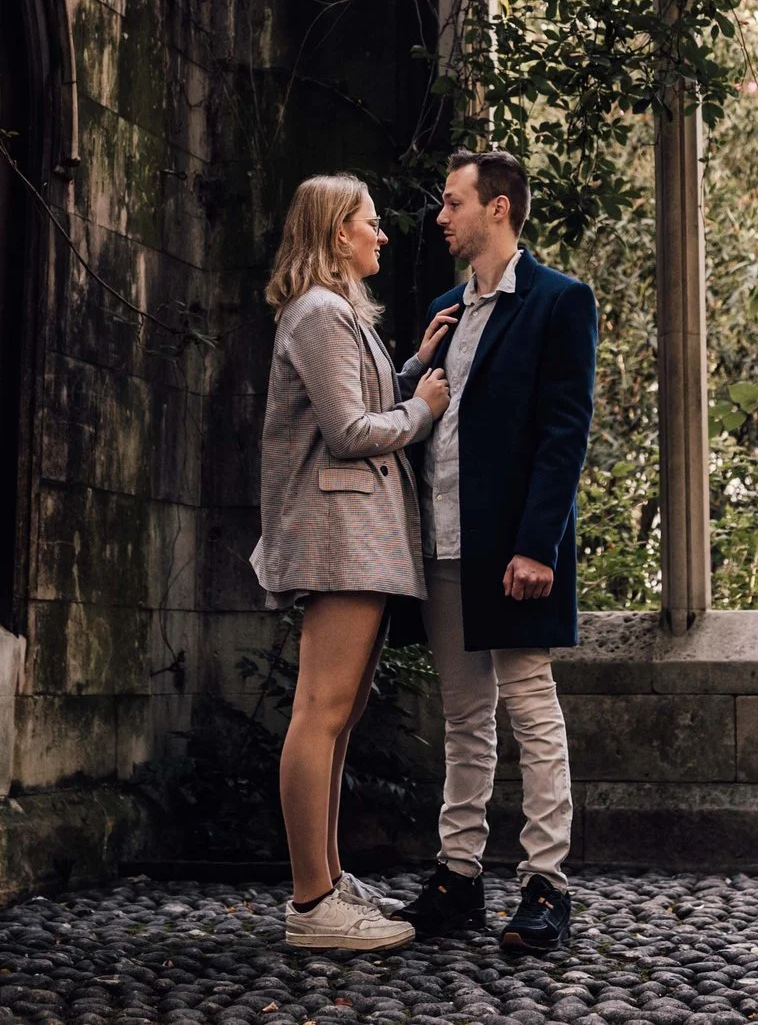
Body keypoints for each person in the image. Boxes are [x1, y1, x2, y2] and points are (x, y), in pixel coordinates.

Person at [392, 149, 597, 953]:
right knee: (464, 718)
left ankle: (545, 884)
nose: (442, 217)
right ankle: (459, 876)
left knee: (531, 706)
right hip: (444, 545)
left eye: (453, 202)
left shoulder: (559, 302)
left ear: (499, 209)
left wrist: (538, 543)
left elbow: (564, 430)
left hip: (516, 549)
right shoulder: (447, 308)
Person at [254, 174, 452, 951]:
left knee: (338, 716)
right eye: (371, 222)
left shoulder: (337, 316)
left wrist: (410, 370)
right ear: (337, 231)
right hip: (340, 534)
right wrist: (423, 407)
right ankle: (312, 904)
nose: (384, 233)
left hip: (360, 535)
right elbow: (347, 433)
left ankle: (328, 880)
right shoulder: (319, 312)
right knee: (321, 712)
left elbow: (356, 406)